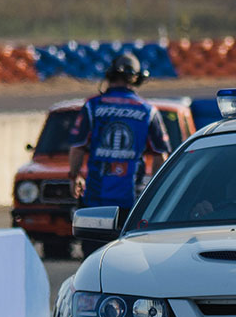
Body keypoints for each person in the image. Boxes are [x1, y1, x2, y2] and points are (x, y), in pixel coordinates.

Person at [68, 52, 171, 246]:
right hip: (132, 202)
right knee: (127, 253)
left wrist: (74, 176)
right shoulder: (148, 110)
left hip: (95, 199)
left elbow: (77, 147)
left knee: (93, 253)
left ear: (110, 74)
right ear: (137, 79)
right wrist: (154, 192)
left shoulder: (92, 106)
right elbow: (161, 156)